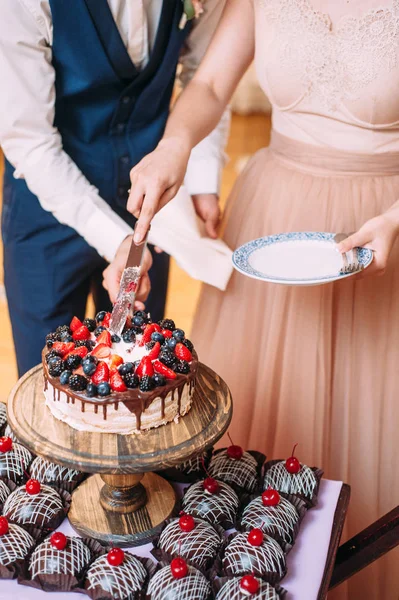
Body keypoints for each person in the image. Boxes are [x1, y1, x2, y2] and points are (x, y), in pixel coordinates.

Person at [125, 1, 399, 598]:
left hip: (383, 223)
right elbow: (213, 83)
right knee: (264, 432)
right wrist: (176, 145)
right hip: (277, 218)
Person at [0, 0, 228, 376]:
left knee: (138, 383)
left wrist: (203, 179)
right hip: (46, 215)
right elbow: (29, 140)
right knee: (49, 389)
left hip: (151, 211)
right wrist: (113, 238)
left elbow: (207, 74)